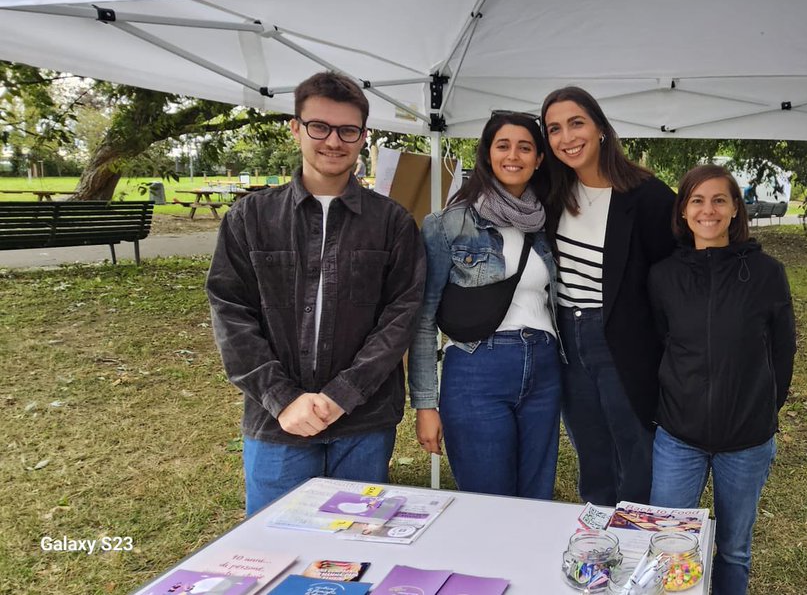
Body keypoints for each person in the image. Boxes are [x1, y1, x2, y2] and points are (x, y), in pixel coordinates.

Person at [206, 71, 426, 516]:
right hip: (276, 420)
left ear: (363, 137)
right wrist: (283, 398)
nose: (333, 141)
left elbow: (401, 316)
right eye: (319, 127)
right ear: (295, 128)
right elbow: (230, 313)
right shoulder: (251, 217)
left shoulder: (392, 222)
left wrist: (343, 393)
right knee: (275, 548)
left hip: (363, 420)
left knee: (358, 550)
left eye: (347, 130)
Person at [647, 164, 795, 595]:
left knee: (733, 550)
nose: (707, 210)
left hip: (746, 439)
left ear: (735, 210)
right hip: (679, 437)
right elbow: (661, 343)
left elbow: (782, 349)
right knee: (670, 544)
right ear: (683, 211)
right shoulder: (663, 276)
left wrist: (764, 406)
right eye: (697, 200)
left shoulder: (768, 273)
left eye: (719, 200)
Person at [408, 111, 564, 499]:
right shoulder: (448, 224)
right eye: (503, 145)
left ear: (539, 158)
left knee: (535, 499)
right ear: (488, 154)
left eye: (525, 147)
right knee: (486, 501)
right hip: (477, 369)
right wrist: (426, 405)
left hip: (544, 368)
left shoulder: (548, 221)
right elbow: (424, 318)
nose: (514, 155)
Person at [540, 86, 676, 506]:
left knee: (636, 449)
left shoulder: (647, 196)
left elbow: (675, 278)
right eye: (554, 129)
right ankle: (599, 544)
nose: (567, 137)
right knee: (591, 449)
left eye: (576, 123)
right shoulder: (550, 194)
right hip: (565, 336)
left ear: (600, 127)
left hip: (623, 339)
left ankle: (639, 538)